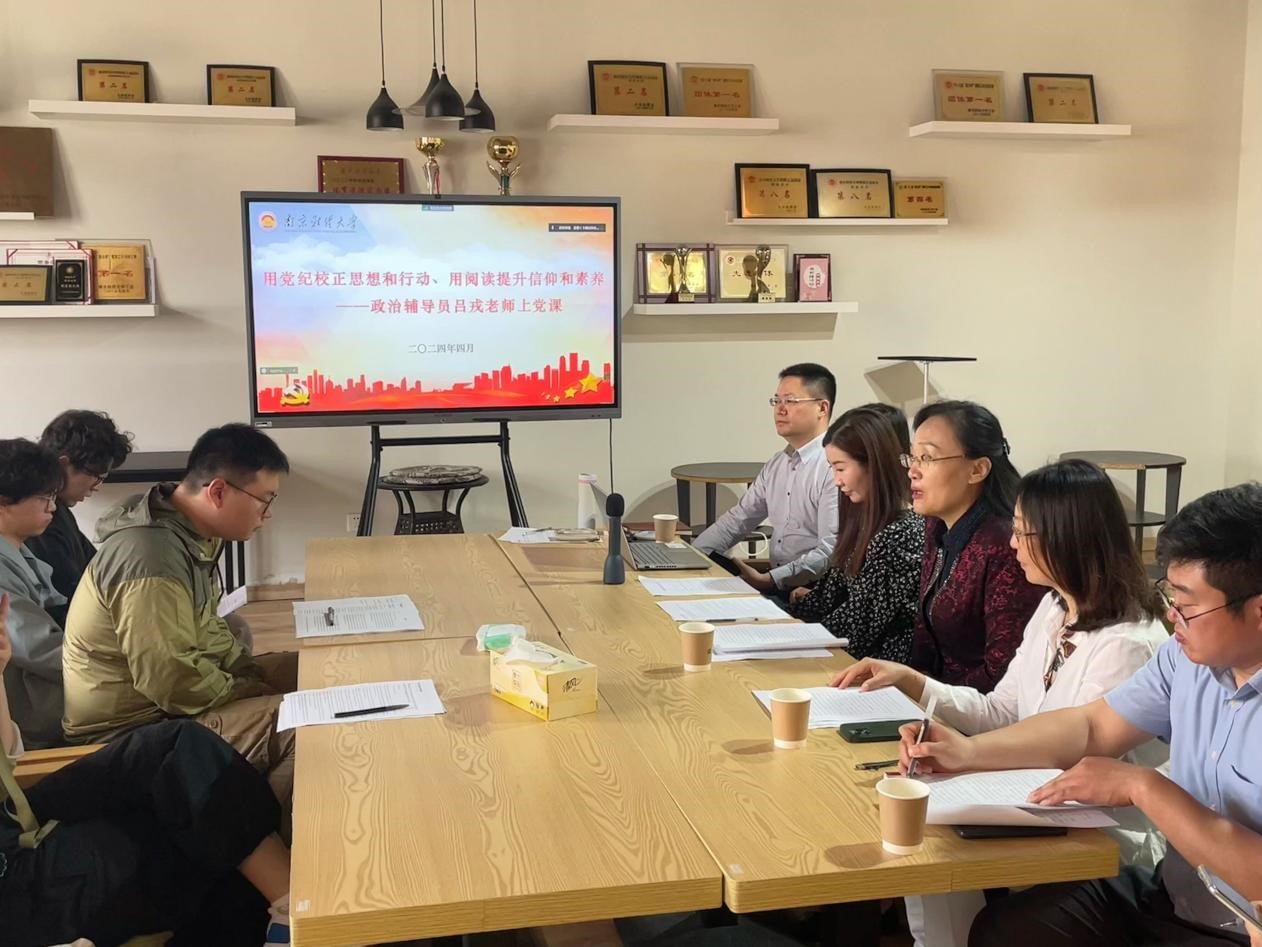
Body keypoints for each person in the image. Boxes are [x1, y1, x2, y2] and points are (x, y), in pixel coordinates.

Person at [899, 483, 1262, 947]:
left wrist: (1143, 787)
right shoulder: (1186, 659)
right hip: (1172, 896)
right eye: (1170, 597)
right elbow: (1092, 725)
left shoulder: (1137, 642)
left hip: (1238, 926)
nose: (1172, 617)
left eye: (1187, 606)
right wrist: (966, 752)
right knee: (1002, 930)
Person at [836, 459, 1169, 947]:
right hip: (1036, 799)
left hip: (1097, 831)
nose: (1012, 544)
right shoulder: (1056, 606)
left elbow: (1077, 754)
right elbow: (1002, 711)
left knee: (927, 833)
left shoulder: (1129, 642)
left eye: (1021, 532)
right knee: (912, 817)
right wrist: (916, 684)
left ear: (1067, 537)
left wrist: (967, 756)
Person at [0, 593, 292, 947]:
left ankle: (290, 904)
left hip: (14, 815)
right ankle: (294, 911)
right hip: (14, 885)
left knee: (173, 750)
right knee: (180, 840)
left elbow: (7, 760)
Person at [62, 423, 298, 814]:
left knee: (313, 675)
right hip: (132, 735)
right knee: (303, 724)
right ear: (218, 492)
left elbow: (209, 632)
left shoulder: (189, 534)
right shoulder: (150, 556)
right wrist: (251, 691)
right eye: (264, 501)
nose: (267, 515)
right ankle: (252, 832)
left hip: (168, 707)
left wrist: (253, 676)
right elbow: (170, 679)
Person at [904, 400, 1043, 692]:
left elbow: (1002, 673)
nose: (913, 471)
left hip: (980, 710)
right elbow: (925, 637)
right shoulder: (937, 526)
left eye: (927, 458)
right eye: (912, 458)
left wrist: (928, 694)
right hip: (936, 699)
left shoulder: (1006, 546)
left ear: (977, 469)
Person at [786, 404, 924, 662]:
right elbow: (829, 594)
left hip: (879, 664)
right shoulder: (864, 518)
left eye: (840, 468)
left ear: (874, 464)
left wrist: (790, 637)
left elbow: (857, 627)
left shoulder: (902, 533)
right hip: (849, 653)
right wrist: (786, 616)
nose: (836, 480)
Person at [693, 363, 840, 593]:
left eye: (790, 401)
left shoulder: (835, 467)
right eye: (776, 401)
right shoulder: (777, 464)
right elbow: (738, 519)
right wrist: (694, 555)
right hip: (775, 585)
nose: (780, 409)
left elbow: (830, 551)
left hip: (814, 593)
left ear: (822, 408)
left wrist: (770, 580)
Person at [0, 439, 69, 749]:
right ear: (3, 501)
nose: (52, 506)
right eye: (44, 497)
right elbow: (37, 647)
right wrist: (110, 666)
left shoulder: (19, 550)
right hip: (24, 721)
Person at [26, 409, 133, 603]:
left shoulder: (60, 511)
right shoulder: (37, 522)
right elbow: (65, 599)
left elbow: (98, 567)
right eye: (97, 476)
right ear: (63, 465)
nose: (97, 486)